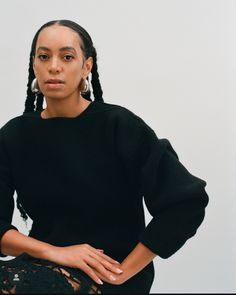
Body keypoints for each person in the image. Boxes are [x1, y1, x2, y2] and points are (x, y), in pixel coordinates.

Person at [0, 19, 209, 294]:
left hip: (105, 271)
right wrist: (55, 252)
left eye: (66, 56)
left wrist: (123, 273)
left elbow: (185, 203)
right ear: (33, 64)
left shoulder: (119, 126)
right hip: (41, 263)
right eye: (43, 56)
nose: (54, 66)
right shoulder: (14, 135)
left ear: (87, 66)